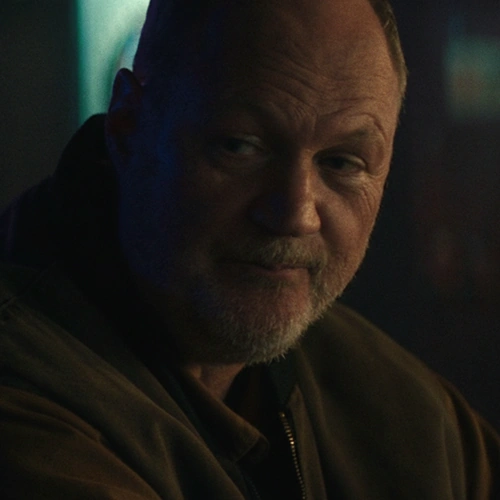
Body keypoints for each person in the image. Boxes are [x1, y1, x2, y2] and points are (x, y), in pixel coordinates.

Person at [0, 0, 499, 497]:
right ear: (128, 124)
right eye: (240, 145)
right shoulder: (27, 395)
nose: (296, 214)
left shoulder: (408, 411)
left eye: (342, 162)